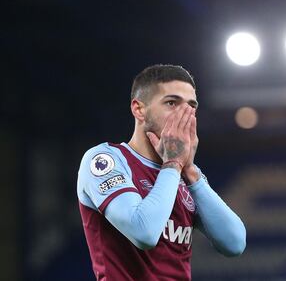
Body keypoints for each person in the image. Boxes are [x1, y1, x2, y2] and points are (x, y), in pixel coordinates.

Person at [77, 64, 246, 281]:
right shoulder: (106, 159)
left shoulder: (185, 175)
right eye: (172, 103)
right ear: (139, 109)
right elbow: (144, 233)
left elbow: (234, 243)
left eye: (191, 106)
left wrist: (191, 172)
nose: (184, 115)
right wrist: (174, 164)